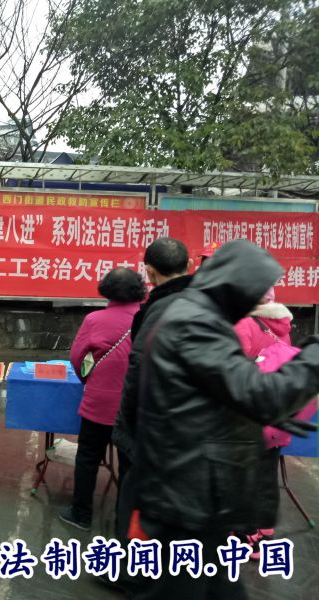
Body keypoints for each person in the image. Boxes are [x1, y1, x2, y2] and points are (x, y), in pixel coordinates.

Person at [132, 239, 319, 599]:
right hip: (186, 500)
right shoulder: (196, 326)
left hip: (199, 494)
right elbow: (258, 394)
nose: (256, 303)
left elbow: (217, 397)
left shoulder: (198, 316)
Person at [112, 238, 193, 539]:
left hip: (155, 430)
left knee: (138, 506)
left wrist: (126, 430)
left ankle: (133, 560)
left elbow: (139, 371)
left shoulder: (159, 310)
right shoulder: (208, 304)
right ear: (189, 266)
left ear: (150, 271)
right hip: (189, 433)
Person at [59, 267, 144, 531]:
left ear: (107, 289)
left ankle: (81, 514)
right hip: (134, 404)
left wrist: (90, 380)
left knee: (88, 457)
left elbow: (77, 358)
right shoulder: (149, 318)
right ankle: (124, 520)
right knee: (129, 462)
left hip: (98, 403)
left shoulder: (94, 320)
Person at [233, 286, 293, 557]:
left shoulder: (244, 324)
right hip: (277, 413)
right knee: (267, 475)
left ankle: (245, 534)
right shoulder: (282, 325)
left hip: (248, 417)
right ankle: (266, 532)